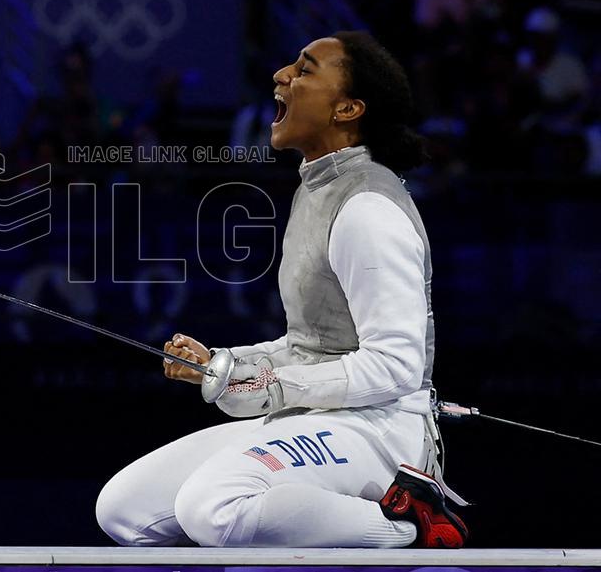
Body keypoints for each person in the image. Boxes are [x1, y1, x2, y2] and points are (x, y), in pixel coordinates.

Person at [95, 31, 468, 548]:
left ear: (347, 108)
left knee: (212, 505)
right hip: (315, 419)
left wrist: (270, 385)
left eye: (305, 69)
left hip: (380, 430)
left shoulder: (368, 207)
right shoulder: (317, 189)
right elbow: (312, 347)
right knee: (124, 509)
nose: (282, 75)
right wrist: (227, 364)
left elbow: (396, 366)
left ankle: (411, 526)